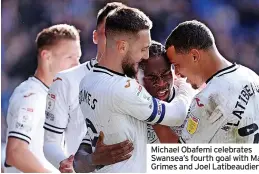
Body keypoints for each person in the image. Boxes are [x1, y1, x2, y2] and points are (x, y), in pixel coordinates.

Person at [76, 7, 192, 173]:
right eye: (143, 49)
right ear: (122, 47)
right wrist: (185, 88)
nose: (145, 56)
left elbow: (79, 162)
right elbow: (177, 114)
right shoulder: (124, 90)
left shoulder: (87, 81)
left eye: (166, 74)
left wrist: (92, 159)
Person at [43, 3, 129, 172]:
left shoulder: (145, 81)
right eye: (108, 34)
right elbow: (50, 142)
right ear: (95, 36)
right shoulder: (66, 81)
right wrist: (65, 164)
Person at [154, 20, 259, 143]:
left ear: (194, 56)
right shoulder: (253, 76)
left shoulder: (209, 98)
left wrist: (153, 113)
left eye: (176, 65)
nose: (176, 73)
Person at [4, 24, 81, 173]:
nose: (76, 64)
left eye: (78, 57)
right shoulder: (30, 96)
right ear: (47, 56)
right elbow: (15, 153)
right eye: (70, 57)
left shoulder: (57, 98)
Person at [137, 41, 198, 143]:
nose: (161, 83)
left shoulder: (194, 104)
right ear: (137, 77)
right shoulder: (127, 105)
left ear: (173, 72)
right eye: (152, 78)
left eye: (166, 74)